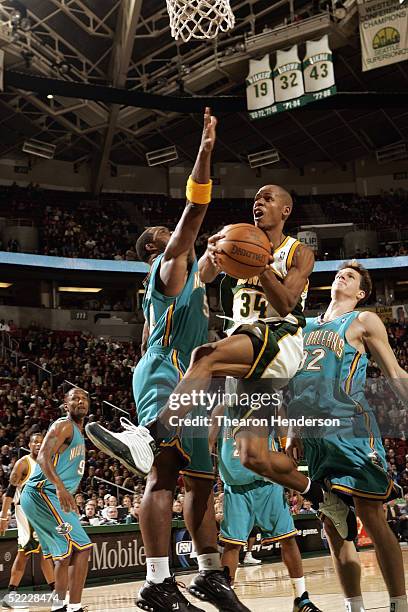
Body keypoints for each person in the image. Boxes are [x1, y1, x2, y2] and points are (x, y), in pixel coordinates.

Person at [87, 183, 355, 540]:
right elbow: (199, 278)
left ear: (285, 211)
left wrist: (260, 268)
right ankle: (320, 494)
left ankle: (151, 436)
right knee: (251, 457)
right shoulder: (237, 242)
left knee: (206, 356)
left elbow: (289, 302)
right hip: (250, 352)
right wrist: (213, 253)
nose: (258, 202)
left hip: (280, 339)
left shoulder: (298, 251)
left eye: (267, 198)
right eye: (256, 198)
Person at [87, 108, 249, 612]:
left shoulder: (193, 278)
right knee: (164, 473)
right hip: (166, 373)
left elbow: (212, 256)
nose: (176, 235)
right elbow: (194, 220)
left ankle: (209, 575)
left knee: (201, 483)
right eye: (168, 234)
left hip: (193, 380)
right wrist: (204, 153)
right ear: (158, 249)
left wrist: (236, 247)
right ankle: (157, 582)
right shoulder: (167, 267)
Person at [286, 261, 408, 612]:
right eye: (340, 272)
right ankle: (353, 607)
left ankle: (398, 603)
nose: (342, 274)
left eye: (351, 275)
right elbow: (296, 382)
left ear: (361, 293)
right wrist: (294, 430)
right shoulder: (304, 326)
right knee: (333, 524)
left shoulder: (362, 320)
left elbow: (393, 371)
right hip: (314, 439)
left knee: (371, 514)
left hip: (350, 428)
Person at [209, 404, 322, 611]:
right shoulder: (221, 409)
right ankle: (228, 605)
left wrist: (290, 480)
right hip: (235, 488)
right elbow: (208, 445)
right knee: (232, 545)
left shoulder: (270, 405)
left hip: (269, 482)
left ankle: (302, 598)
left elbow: (286, 442)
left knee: (288, 539)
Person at [20, 388, 93, 612]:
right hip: (43, 492)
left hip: (49, 495)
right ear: (65, 405)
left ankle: (59, 606)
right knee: (83, 547)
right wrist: (61, 489)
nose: (80, 401)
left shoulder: (82, 432)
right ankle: (74, 607)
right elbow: (42, 456)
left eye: (84, 398)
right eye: (75, 398)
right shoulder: (64, 425)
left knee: (64, 554)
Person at [0, 434, 55, 606]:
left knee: (45, 552)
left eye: (41, 442)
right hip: (25, 511)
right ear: (29, 445)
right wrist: (3, 516)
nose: (39, 444)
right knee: (25, 551)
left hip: (41, 511)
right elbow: (9, 492)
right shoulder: (23, 463)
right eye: (35, 442)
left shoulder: (46, 462)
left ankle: (55, 590)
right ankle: (11, 593)